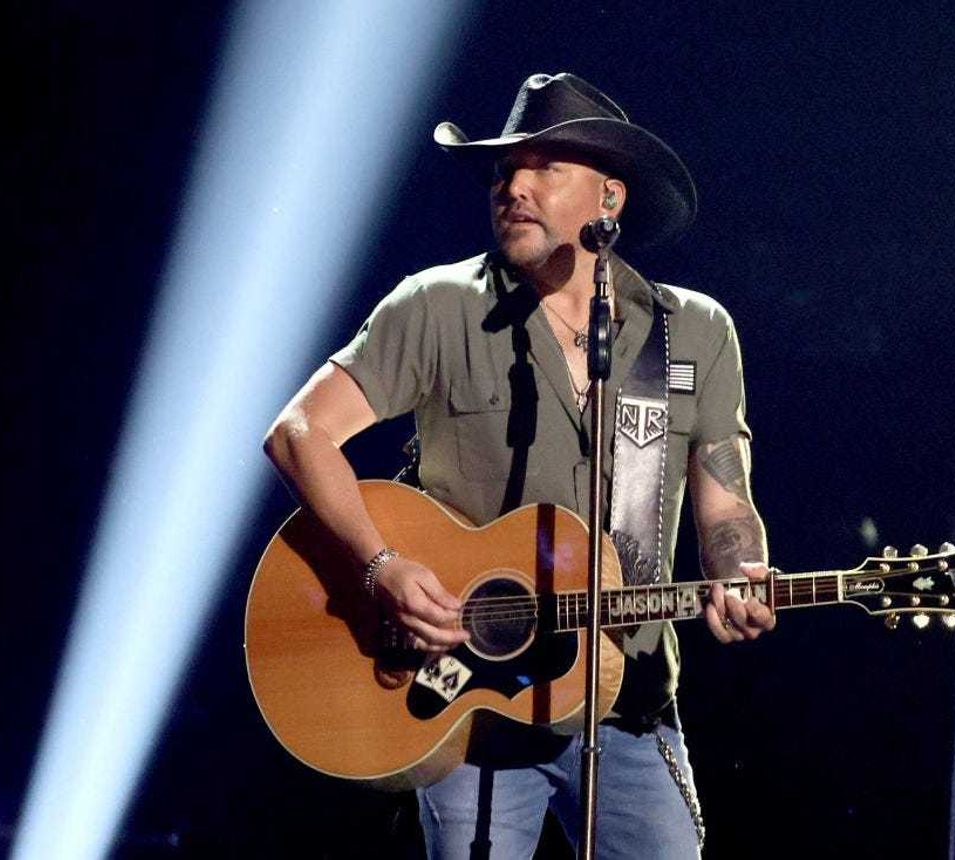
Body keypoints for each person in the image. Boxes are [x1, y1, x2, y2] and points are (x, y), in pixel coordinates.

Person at [264, 72, 775, 858]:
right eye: (505, 170)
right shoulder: (436, 306)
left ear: (610, 199)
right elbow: (299, 431)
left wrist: (742, 571)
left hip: (626, 700)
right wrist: (383, 566)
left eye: (544, 168)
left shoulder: (693, 333)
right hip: (465, 704)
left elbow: (725, 503)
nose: (514, 187)